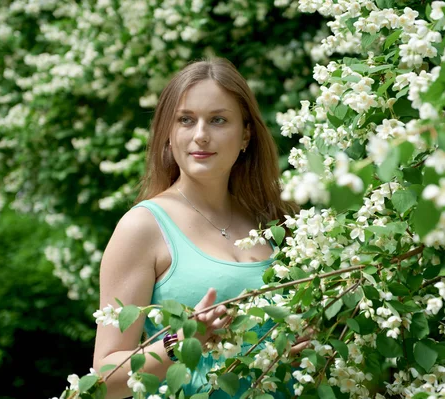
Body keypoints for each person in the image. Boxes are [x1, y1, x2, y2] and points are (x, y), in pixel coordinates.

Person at [93, 57, 300, 399]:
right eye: (186, 120)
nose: (201, 135)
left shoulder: (276, 220)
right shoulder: (142, 227)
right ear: (168, 134)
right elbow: (104, 380)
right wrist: (182, 342)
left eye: (218, 120)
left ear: (246, 133)